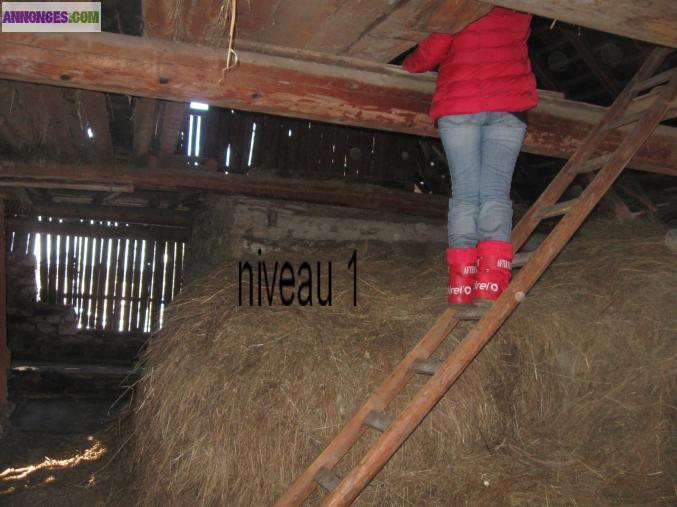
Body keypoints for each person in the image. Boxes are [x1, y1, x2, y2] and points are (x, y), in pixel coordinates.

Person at [403, 7, 538, 304]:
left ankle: (461, 283)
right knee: (495, 193)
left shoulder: (462, 4)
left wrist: (409, 63)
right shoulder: (524, 7)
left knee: (465, 195)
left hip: (460, 105)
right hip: (508, 103)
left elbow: (434, 48)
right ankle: (491, 281)